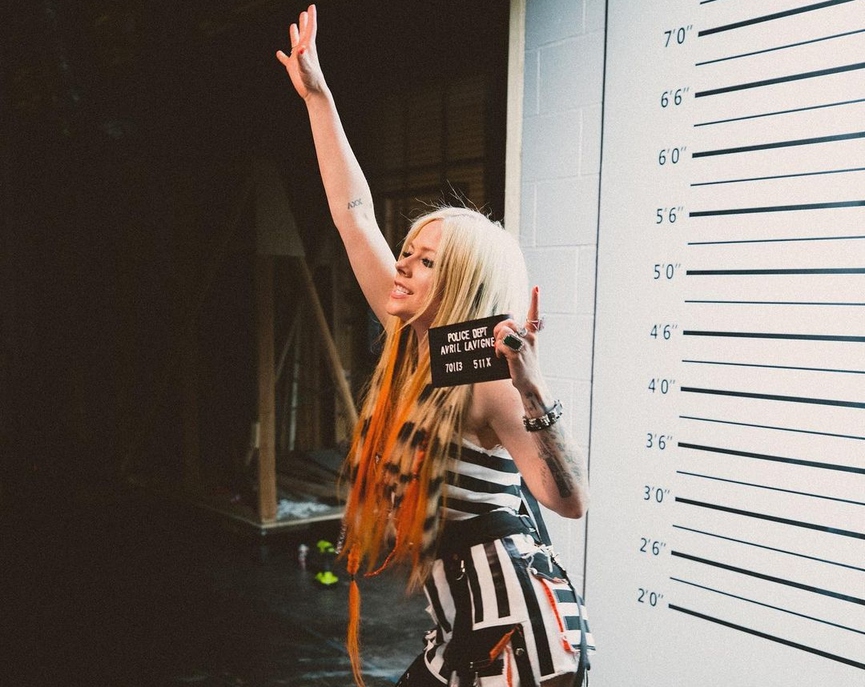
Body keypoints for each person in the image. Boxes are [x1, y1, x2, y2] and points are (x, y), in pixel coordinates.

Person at [276, 6, 592, 686]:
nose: (402, 266)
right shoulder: (424, 351)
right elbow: (353, 215)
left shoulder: (484, 379)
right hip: (458, 628)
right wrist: (319, 98)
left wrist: (531, 387)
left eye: (425, 262)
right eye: (407, 252)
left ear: (461, 282)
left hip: (519, 638)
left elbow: (568, 502)